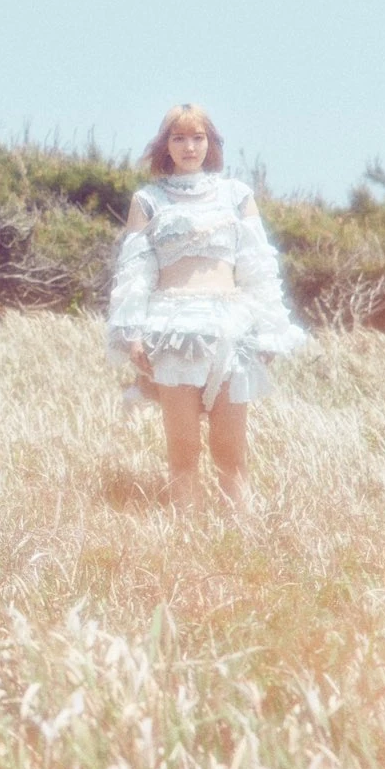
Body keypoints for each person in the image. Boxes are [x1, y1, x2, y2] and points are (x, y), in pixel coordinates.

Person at [106, 104, 305, 506]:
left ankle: (241, 527)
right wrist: (132, 334)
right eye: (179, 138)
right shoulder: (148, 200)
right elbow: (135, 271)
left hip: (232, 328)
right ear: (165, 145)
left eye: (198, 138)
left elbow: (258, 268)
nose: (189, 147)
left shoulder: (237, 195)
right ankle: (185, 529)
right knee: (183, 448)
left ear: (210, 144)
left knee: (230, 448)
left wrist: (270, 333)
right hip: (172, 329)